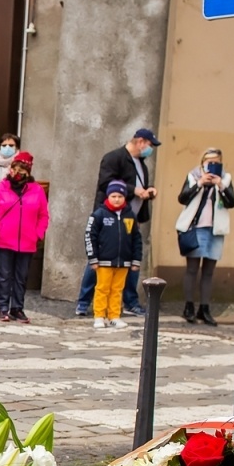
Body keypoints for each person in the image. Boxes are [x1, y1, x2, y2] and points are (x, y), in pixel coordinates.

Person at [77, 128, 159, 317]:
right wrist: (135, 191)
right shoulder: (114, 158)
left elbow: (140, 187)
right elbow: (106, 183)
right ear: (141, 141)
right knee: (98, 260)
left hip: (130, 218)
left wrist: (148, 192)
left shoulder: (141, 163)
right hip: (109, 218)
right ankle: (83, 301)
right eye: (150, 144)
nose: (151, 149)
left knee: (129, 260)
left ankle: (130, 301)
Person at [0, 151, 48, 324]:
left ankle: (17, 308)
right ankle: (3, 308)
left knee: (21, 277)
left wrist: (38, 234)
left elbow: (43, 215)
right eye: (15, 169)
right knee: (3, 276)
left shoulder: (37, 190)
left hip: (27, 241)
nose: (17, 173)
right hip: (3, 240)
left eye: (22, 170)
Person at [175, 147, 234, 326]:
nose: (212, 165)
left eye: (216, 163)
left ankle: (205, 308)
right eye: (209, 162)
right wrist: (200, 183)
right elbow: (183, 198)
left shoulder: (225, 178)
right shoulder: (193, 176)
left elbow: (231, 202)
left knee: (209, 271)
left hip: (216, 230)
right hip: (195, 228)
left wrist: (220, 185)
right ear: (202, 162)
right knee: (192, 269)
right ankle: (188, 307)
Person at [85, 181, 142, 329]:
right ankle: (99, 315)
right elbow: (90, 236)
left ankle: (114, 316)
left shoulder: (130, 215)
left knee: (117, 289)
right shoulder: (99, 214)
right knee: (102, 288)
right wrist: (93, 258)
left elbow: (136, 238)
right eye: (113, 196)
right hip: (104, 261)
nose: (117, 199)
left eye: (120, 196)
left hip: (123, 261)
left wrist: (136, 259)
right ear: (108, 196)